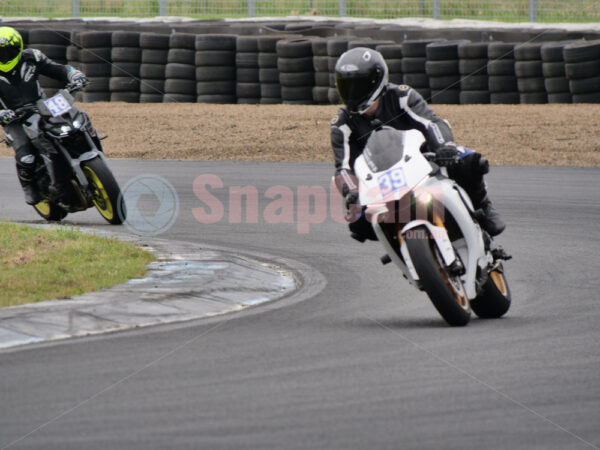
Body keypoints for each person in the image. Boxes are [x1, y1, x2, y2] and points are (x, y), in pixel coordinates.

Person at [330, 47, 505, 241]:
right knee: (357, 221)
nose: (352, 93)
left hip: (424, 164)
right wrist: (351, 190)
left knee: (469, 160)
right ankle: (403, 254)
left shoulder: (402, 96)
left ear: (376, 81)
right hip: (384, 183)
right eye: (346, 86)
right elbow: (343, 169)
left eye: (358, 85)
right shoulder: (342, 123)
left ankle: (483, 207)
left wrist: (444, 146)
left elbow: (432, 123)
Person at [0, 26, 88, 205]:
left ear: (18, 48)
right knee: (27, 156)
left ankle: (88, 150)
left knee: (78, 120)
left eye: (8, 51)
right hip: (14, 118)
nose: (4, 56)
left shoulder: (32, 57)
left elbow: (59, 69)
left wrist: (75, 75)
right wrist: (2, 113)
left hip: (44, 106)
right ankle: (29, 187)